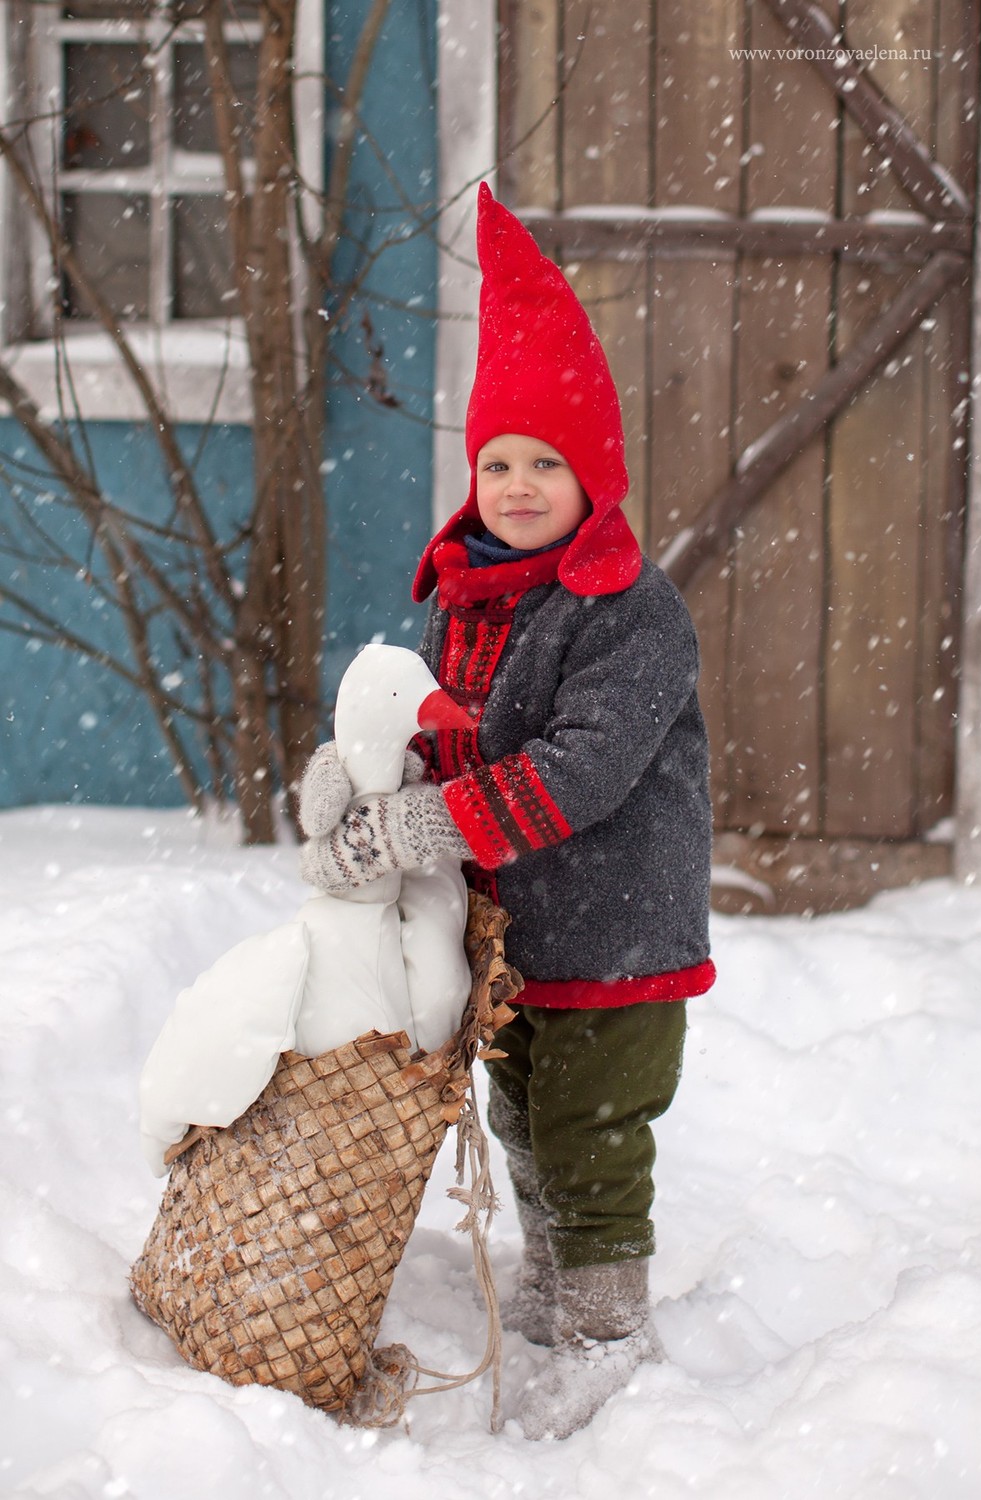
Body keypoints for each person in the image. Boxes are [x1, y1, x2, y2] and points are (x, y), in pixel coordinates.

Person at [298, 182, 714, 1439]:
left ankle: (605, 1320)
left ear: (595, 478)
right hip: (517, 940)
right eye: (498, 462)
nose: (520, 485)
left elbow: (579, 771)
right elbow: (430, 721)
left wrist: (432, 827)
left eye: (548, 463)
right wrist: (359, 777)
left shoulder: (630, 613)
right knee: (522, 1113)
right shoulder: (461, 594)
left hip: (616, 931)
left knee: (595, 1133)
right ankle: (551, 1283)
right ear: (470, 471)